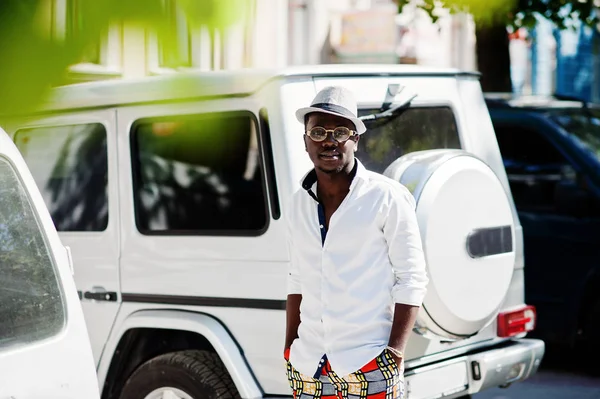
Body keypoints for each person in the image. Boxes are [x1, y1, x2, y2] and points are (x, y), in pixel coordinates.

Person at [283, 86, 429, 399]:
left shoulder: (387, 197)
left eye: (340, 131)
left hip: (368, 361)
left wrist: (394, 354)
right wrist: (289, 346)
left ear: (356, 139)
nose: (329, 140)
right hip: (308, 364)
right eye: (318, 131)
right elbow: (297, 278)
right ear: (306, 141)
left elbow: (412, 279)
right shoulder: (297, 203)